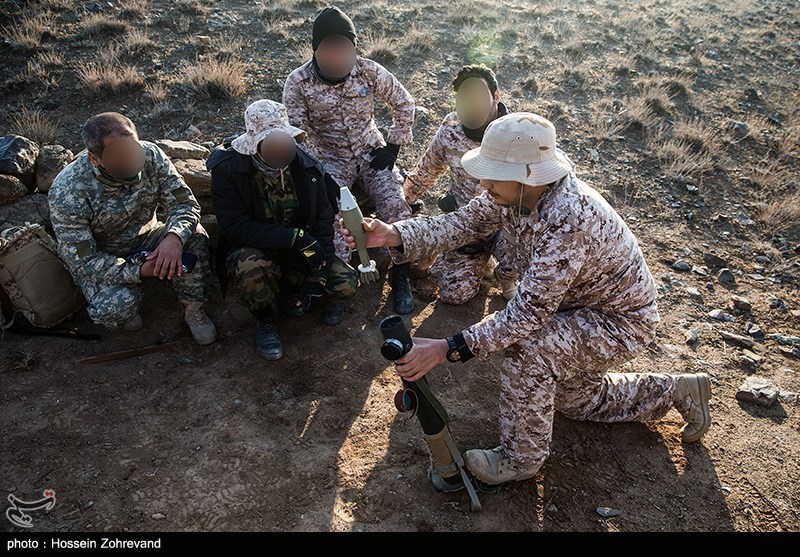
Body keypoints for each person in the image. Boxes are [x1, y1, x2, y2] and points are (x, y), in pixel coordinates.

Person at [341, 112, 712, 485]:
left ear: (528, 174)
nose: (482, 182)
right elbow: (461, 224)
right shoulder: (513, 192)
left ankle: (520, 459)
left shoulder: (569, 219)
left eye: (493, 172)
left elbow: (527, 314)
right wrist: (392, 234)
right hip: (575, 307)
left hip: (619, 320)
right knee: (575, 401)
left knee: (530, 349)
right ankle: (675, 391)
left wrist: (447, 348)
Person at [282, 5, 416, 314]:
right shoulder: (298, 83)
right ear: (316, 51)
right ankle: (338, 282)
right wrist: (316, 173)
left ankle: (401, 273)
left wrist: (393, 147)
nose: (339, 55)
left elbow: (404, 102)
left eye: (346, 47)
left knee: (395, 204)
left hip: (371, 151)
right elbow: (296, 137)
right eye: (330, 47)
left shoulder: (368, 70)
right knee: (330, 217)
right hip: (329, 158)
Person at [207, 99, 358, 361]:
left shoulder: (308, 168)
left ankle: (301, 294)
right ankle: (264, 316)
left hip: (298, 252)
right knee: (251, 268)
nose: (282, 150)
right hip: (257, 250)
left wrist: (318, 276)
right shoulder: (229, 170)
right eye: (273, 144)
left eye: (285, 141)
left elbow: (323, 222)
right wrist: (293, 237)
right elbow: (234, 228)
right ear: (256, 145)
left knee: (345, 283)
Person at [48, 112, 216, 345]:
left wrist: (173, 237)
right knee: (116, 309)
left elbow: (184, 204)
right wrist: (138, 272)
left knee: (195, 235)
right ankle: (131, 300)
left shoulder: (152, 155)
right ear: (95, 159)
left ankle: (193, 307)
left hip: (148, 237)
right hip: (105, 256)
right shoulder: (68, 191)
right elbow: (83, 262)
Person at [403, 64, 519, 303]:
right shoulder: (450, 128)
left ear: (496, 96)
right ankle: (465, 259)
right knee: (455, 293)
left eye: (478, 95)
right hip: (462, 223)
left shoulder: (516, 134)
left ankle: (505, 274)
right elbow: (427, 170)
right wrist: (401, 204)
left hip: (505, 225)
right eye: (464, 97)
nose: (470, 104)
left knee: (528, 263)